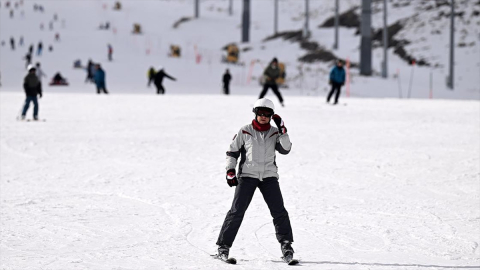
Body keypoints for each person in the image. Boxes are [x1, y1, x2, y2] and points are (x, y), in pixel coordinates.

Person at [216, 98, 295, 263]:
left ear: (271, 116)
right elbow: (232, 152)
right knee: (236, 211)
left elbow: (286, 149)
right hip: (247, 176)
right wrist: (230, 170)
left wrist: (282, 130)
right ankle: (223, 247)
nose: (263, 116)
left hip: (269, 177)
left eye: (267, 114)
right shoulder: (245, 131)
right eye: (261, 113)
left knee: (279, 211)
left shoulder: (275, 132)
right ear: (255, 113)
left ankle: (286, 246)